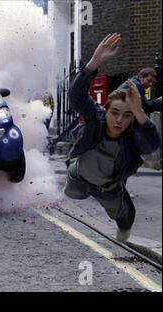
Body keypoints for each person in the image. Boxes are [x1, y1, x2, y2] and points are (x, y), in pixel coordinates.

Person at [63, 33, 161, 242]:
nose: (118, 120)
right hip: (78, 178)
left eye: (127, 116)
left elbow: (152, 144)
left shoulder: (132, 138)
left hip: (108, 188)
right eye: (114, 112)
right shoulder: (94, 120)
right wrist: (94, 63)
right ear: (105, 111)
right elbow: (76, 96)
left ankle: (122, 212)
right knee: (72, 194)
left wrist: (139, 113)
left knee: (124, 218)